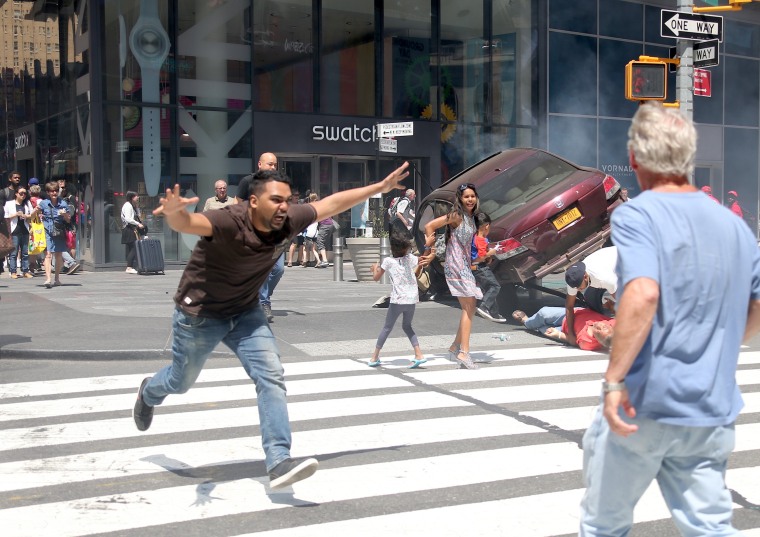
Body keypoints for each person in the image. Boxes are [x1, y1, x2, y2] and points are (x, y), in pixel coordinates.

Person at [132, 162, 410, 490]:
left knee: (271, 376)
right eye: (276, 200)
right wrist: (175, 215)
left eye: (288, 200)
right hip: (200, 314)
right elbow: (191, 223)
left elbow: (332, 203)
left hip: (246, 312)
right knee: (180, 381)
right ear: (252, 201)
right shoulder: (228, 219)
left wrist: (380, 187)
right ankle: (149, 392)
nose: (284, 207)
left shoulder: (289, 217)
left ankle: (278, 460)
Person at [579, 102, 760, 536]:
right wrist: (715, 343)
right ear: (688, 157)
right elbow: (755, 310)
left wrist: (614, 380)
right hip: (710, 409)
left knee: (604, 525)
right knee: (709, 528)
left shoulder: (638, 214)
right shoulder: (736, 228)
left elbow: (642, 292)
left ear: (634, 159)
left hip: (645, 403)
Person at [421, 182, 483, 370]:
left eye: (472, 196)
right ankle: (463, 352)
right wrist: (430, 251)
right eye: (466, 197)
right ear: (460, 199)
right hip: (456, 265)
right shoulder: (456, 215)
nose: (470, 199)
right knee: (469, 305)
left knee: (469, 307)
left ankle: (456, 347)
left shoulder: (472, 218)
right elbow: (429, 226)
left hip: (463, 264)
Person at [368, 220, 428, 368]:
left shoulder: (388, 261)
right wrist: (428, 245)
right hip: (412, 299)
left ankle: (374, 357)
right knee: (407, 326)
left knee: (387, 327)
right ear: (406, 248)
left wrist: (374, 269)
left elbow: (376, 278)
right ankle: (418, 354)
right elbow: (421, 262)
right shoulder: (411, 258)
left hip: (397, 300)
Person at [237, 152, 282, 323]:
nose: (272, 167)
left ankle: (260, 296)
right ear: (260, 164)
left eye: (275, 165)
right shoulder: (247, 182)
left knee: (278, 269)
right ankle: (263, 303)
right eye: (270, 164)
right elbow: (238, 203)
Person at [564, 245, 617, 345]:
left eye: (579, 287)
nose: (577, 290)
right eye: (575, 288)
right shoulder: (574, 278)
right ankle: (601, 322)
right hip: (607, 267)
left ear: (585, 276)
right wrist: (571, 333)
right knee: (589, 297)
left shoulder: (604, 278)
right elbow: (569, 306)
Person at [471, 212, 506, 323]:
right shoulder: (480, 239)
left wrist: (488, 257)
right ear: (486, 226)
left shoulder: (476, 237)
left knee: (489, 288)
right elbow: (481, 257)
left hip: (477, 267)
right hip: (480, 267)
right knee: (495, 286)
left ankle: (494, 313)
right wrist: (491, 252)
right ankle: (484, 306)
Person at [37, 181, 72, 288]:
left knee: (58, 255)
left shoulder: (63, 203)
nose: (54, 193)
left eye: (56, 190)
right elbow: (36, 214)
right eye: (52, 191)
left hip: (59, 231)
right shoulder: (44, 203)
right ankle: (48, 279)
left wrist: (64, 214)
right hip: (47, 230)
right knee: (48, 255)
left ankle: (57, 278)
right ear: (48, 192)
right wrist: (37, 214)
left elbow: (68, 220)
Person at [543, 308, 615, 351]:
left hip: (564, 329)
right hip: (574, 313)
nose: (599, 326)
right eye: (604, 327)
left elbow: (574, 342)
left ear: (599, 341)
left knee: (545, 330)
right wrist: (612, 308)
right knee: (543, 313)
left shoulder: (588, 343)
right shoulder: (614, 324)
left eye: (598, 332)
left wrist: (558, 335)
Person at [4, 186, 37, 278]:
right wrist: (15, 214)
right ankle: (13, 271)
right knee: (14, 252)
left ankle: (25, 271)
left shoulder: (26, 204)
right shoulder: (9, 204)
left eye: (24, 193)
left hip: (25, 230)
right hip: (14, 230)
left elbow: (30, 216)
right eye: (21, 193)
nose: (23, 195)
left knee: (25, 252)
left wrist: (26, 216)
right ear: (16, 194)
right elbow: (5, 217)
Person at [120, 191, 145, 274]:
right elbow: (128, 219)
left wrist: (137, 207)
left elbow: (138, 215)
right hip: (129, 229)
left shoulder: (131, 205)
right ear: (132, 197)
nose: (137, 198)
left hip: (129, 229)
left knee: (131, 248)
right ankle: (129, 267)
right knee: (134, 247)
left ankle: (130, 266)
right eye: (136, 196)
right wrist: (138, 224)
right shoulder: (128, 206)